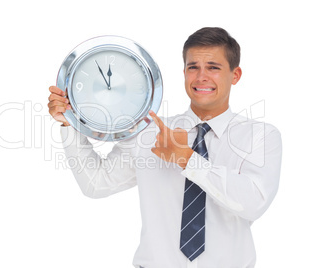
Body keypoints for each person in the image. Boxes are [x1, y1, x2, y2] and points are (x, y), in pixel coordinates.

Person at [48, 27, 282, 268]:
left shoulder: (261, 136)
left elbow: (253, 203)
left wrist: (188, 159)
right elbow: (96, 184)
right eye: (193, 67)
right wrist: (70, 124)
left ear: (235, 74)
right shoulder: (149, 133)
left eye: (213, 67)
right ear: (184, 73)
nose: (201, 76)